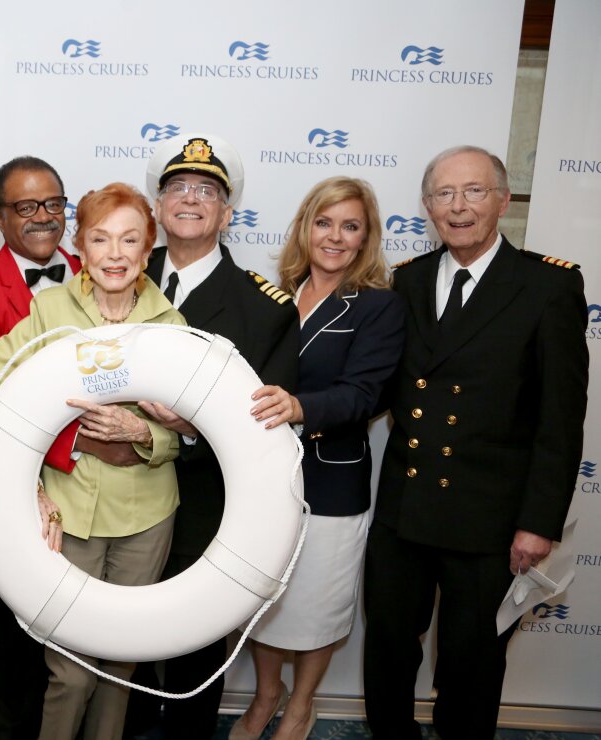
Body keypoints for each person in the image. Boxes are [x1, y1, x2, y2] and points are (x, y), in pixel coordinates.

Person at [363, 146, 588, 739]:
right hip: (404, 509)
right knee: (387, 650)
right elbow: (380, 385)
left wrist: (538, 523)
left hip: (489, 518)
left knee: (471, 666)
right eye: (443, 194)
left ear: (502, 201)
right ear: (427, 206)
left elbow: (560, 421)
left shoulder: (547, 285)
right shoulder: (407, 280)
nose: (458, 207)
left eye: (474, 191)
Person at [0, 182, 185, 740]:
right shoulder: (51, 310)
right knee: (69, 669)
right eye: (101, 239)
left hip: (146, 513)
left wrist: (144, 432)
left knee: (121, 664)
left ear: (147, 248)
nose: (115, 254)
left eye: (129, 240)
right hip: (70, 510)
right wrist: (32, 479)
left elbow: (193, 431)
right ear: (81, 249)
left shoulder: (173, 327)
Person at [125, 132, 300, 739]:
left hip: (209, 502)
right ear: (157, 206)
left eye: (207, 190)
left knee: (195, 639)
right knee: (124, 631)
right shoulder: (117, 277)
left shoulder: (265, 308)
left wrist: (192, 430)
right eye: (177, 187)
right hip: (120, 491)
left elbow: (265, 428)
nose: (191, 198)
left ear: (228, 213)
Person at [231, 177, 404, 740]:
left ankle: (301, 703)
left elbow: (365, 396)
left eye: (349, 226)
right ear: (306, 227)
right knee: (266, 596)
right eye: (324, 222)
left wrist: (299, 406)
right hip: (263, 480)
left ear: (364, 239)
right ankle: (265, 696)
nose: (334, 236)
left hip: (331, 482)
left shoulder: (379, 306)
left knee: (317, 605)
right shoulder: (272, 292)